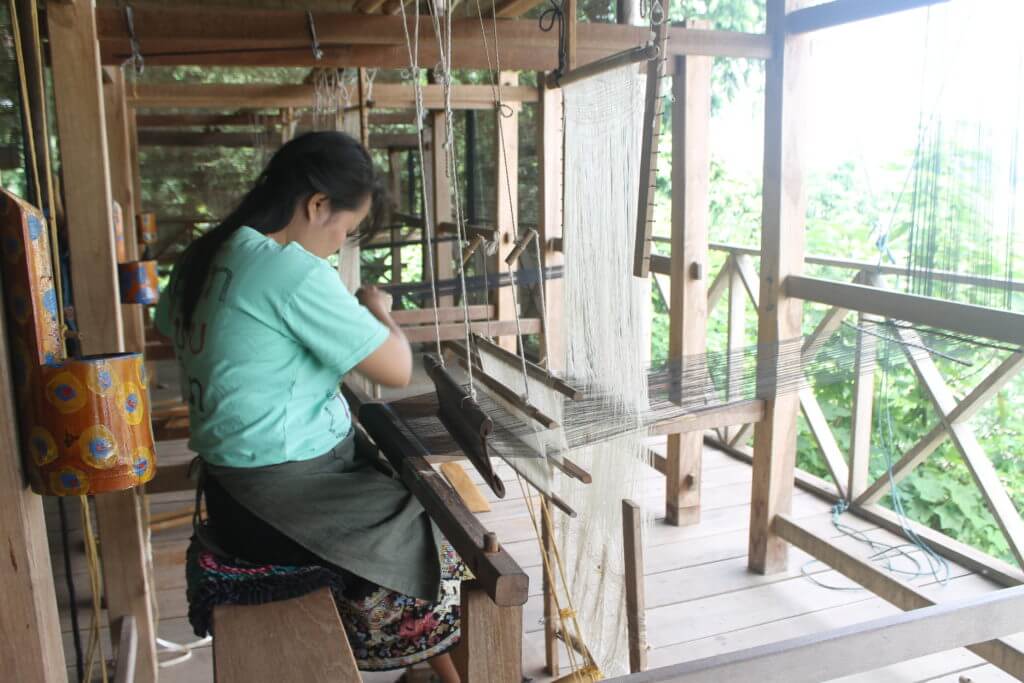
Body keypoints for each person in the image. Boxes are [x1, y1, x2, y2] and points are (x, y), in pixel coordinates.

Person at [154, 131, 462, 682]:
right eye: (344, 230)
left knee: (413, 493)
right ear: (317, 205)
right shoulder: (284, 270)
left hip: (229, 492)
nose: (338, 244)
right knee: (440, 528)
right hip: (280, 502)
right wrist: (377, 310)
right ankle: (421, 663)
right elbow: (394, 368)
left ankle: (425, 670)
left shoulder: (203, 257)